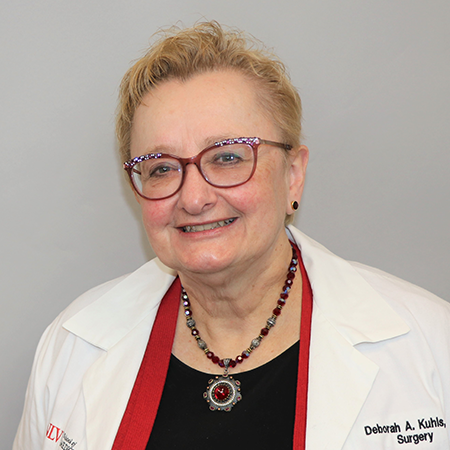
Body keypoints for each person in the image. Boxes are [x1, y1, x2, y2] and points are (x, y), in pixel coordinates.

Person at [14, 21, 450, 450]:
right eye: (161, 167)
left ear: (293, 175)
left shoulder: (431, 344)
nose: (194, 198)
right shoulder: (72, 345)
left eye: (226, 157)